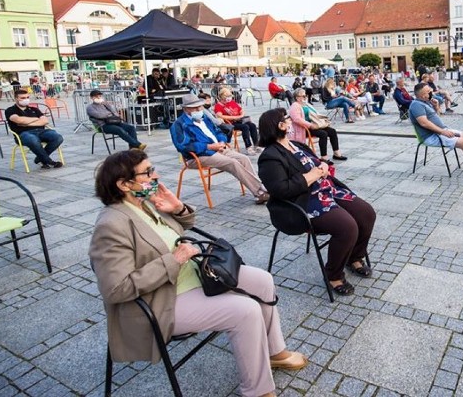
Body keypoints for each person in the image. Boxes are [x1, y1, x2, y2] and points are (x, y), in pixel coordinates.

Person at [89, 150, 306, 397]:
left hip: (192, 277)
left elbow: (180, 229)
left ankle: (274, 352)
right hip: (162, 300)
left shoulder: (144, 204)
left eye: (152, 168)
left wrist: (178, 207)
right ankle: (257, 391)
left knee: (262, 280)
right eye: (147, 172)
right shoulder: (111, 224)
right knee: (246, 311)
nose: (156, 175)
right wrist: (173, 260)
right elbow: (115, 289)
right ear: (124, 184)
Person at [257, 109, 374, 296]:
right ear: (280, 126)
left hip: (327, 190)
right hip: (303, 202)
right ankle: (333, 275)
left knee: (366, 213)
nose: (291, 121)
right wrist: (311, 175)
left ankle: (354, 257)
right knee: (347, 227)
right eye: (287, 119)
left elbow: (315, 161)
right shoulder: (270, 157)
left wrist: (323, 165)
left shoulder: (297, 145)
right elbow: (281, 190)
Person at [171, 94, 270, 204]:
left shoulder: (204, 118)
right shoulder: (179, 124)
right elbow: (182, 146)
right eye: (196, 107)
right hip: (198, 156)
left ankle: (259, 193)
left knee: (243, 159)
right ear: (186, 109)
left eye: (200, 106)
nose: (200, 109)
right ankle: (260, 189)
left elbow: (218, 131)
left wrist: (222, 141)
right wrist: (208, 146)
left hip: (218, 149)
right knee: (232, 163)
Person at [5, 89, 64, 169]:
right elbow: (18, 120)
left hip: (41, 131)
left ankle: (39, 158)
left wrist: (26, 123)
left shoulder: (34, 109)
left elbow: (45, 121)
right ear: (16, 98)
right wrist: (36, 119)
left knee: (58, 137)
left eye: (27, 97)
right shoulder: (10, 110)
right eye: (22, 98)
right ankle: (48, 161)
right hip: (23, 134)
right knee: (33, 139)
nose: (26, 99)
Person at [288, 89, 347, 161]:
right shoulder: (295, 106)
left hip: (312, 125)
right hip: (303, 129)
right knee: (323, 134)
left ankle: (336, 153)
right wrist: (310, 125)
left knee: (332, 131)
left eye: (305, 95)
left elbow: (315, 114)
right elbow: (297, 119)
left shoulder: (305, 104)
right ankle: (324, 157)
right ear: (297, 97)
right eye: (303, 96)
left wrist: (321, 121)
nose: (305, 97)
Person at [213, 87, 261, 154]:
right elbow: (219, 116)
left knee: (252, 125)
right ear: (222, 96)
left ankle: (256, 145)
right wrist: (234, 117)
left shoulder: (232, 102)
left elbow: (241, 110)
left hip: (239, 120)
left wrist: (241, 115)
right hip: (230, 123)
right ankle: (248, 147)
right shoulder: (218, 105)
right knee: (245, 127)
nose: (229, 97)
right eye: (227, 96)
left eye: (230, 95)